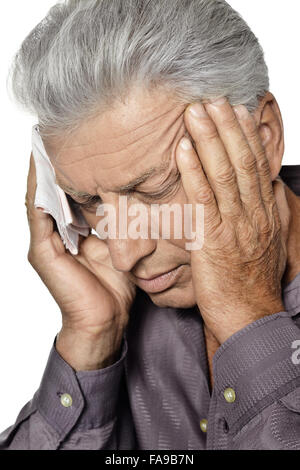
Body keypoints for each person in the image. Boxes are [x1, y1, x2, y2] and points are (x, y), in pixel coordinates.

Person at [1, 0, 300, 450]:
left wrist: (248, 319)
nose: (123, 254)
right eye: (89, 202)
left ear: (263, 137)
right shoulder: (119, 302)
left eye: (155, 190)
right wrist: (90, 341)